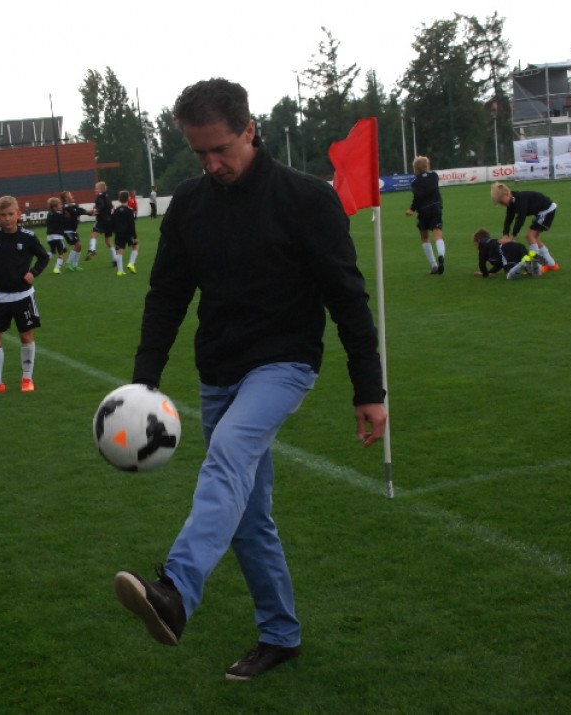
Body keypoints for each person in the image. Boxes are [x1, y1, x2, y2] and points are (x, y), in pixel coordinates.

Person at [113, 78, 387, 681]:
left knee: (230, 451)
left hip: (285, 363)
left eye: (222, 150)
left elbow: (348, 297)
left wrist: (369, 389)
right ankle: (281, 636)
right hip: (219, 369)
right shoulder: (190, 204)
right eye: (200, 154)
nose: (212, 165)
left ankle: (175, 590)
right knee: (247, 517)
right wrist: (143, 383)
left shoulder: (305, 199)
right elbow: (167, 295)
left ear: (250, 131)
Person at [0, 196, 49, 395]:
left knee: (25, 335)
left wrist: (33, 273)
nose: (7, 219)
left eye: (10, 214)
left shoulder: (28, 237)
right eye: (3, 215)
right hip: (1, 297)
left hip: (23, 296)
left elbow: (44, 257)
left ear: (18, 214)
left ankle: (27, 378)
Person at [491, 182, 560, 272]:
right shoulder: (511, 203)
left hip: (546, 210)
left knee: (529, 236)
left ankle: (537, 267)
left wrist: (512, 237)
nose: (501, 204)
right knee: (534, 238)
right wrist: (505, 235)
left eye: (501, 201)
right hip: (543, 211)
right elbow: (508, 220)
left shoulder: (520, 199)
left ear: (507, 194)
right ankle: (552, 264)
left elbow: (520, 219)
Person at [404, 156, 446, 274]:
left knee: (424, 237)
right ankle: (441, 255)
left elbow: (417, 198)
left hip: (423, 211)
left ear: (416, 168)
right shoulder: (434, 176)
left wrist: (412, 209)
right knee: (437, 234)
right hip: (436, 207)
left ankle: (433, 265)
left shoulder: (415, 182)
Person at [472, 228, 539, 280]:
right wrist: (491, 272)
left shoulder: (483, 246)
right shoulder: (493, 243)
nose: (475, 245)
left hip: (508, 250)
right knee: (530, 271)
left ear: (478, 240)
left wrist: (485, 274)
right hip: (519, 246)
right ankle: (530, 267)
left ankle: (522, 265)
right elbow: (499, 263)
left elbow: (482, 264)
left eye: (475, 243)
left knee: (509, 276)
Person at [111, 190, 139, 275]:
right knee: (135, 247)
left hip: (118, 233)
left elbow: (112, 222)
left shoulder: (116, 210)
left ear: (119, 199)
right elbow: (131, 224)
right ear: (128, 199)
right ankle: (131, 264)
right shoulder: (130, 210)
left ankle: (120, 271)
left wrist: (114, 231)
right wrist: (135, 236)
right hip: (128, 233)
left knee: (119, 250)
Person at [85, 180, 113, 263]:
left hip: (101, 220)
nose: (95, 190)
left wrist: (97, 210)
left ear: (101, 189)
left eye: (96, 188)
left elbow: (101, 205)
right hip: (109, 221)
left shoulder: (99, 197)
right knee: (108, 241)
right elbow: (110, 206)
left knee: (94, 234)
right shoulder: (107, 197)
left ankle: (92, 249)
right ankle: (115, 259)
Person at [60, 191, 87, 272]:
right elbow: (75, 212)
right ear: (66, 198)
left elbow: (79, 210)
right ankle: (68, 263)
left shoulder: (72, 205)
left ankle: (75, 265)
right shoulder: (65, 207)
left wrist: (82, 212)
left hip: (73, 230)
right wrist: (80, 213)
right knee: (78, 245)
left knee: (79, 247)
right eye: (70, 195)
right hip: (67, 230)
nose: (72, 196)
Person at [45, 196, 69, 275]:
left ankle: (45, 260)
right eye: (59, 204)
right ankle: (57, 268)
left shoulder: (49, 214)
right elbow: (65, 220)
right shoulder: (59, 214)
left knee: (52, 251)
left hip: (49, 237)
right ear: (55, 207)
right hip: (58, 236)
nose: (61, 206)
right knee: (62, 252)